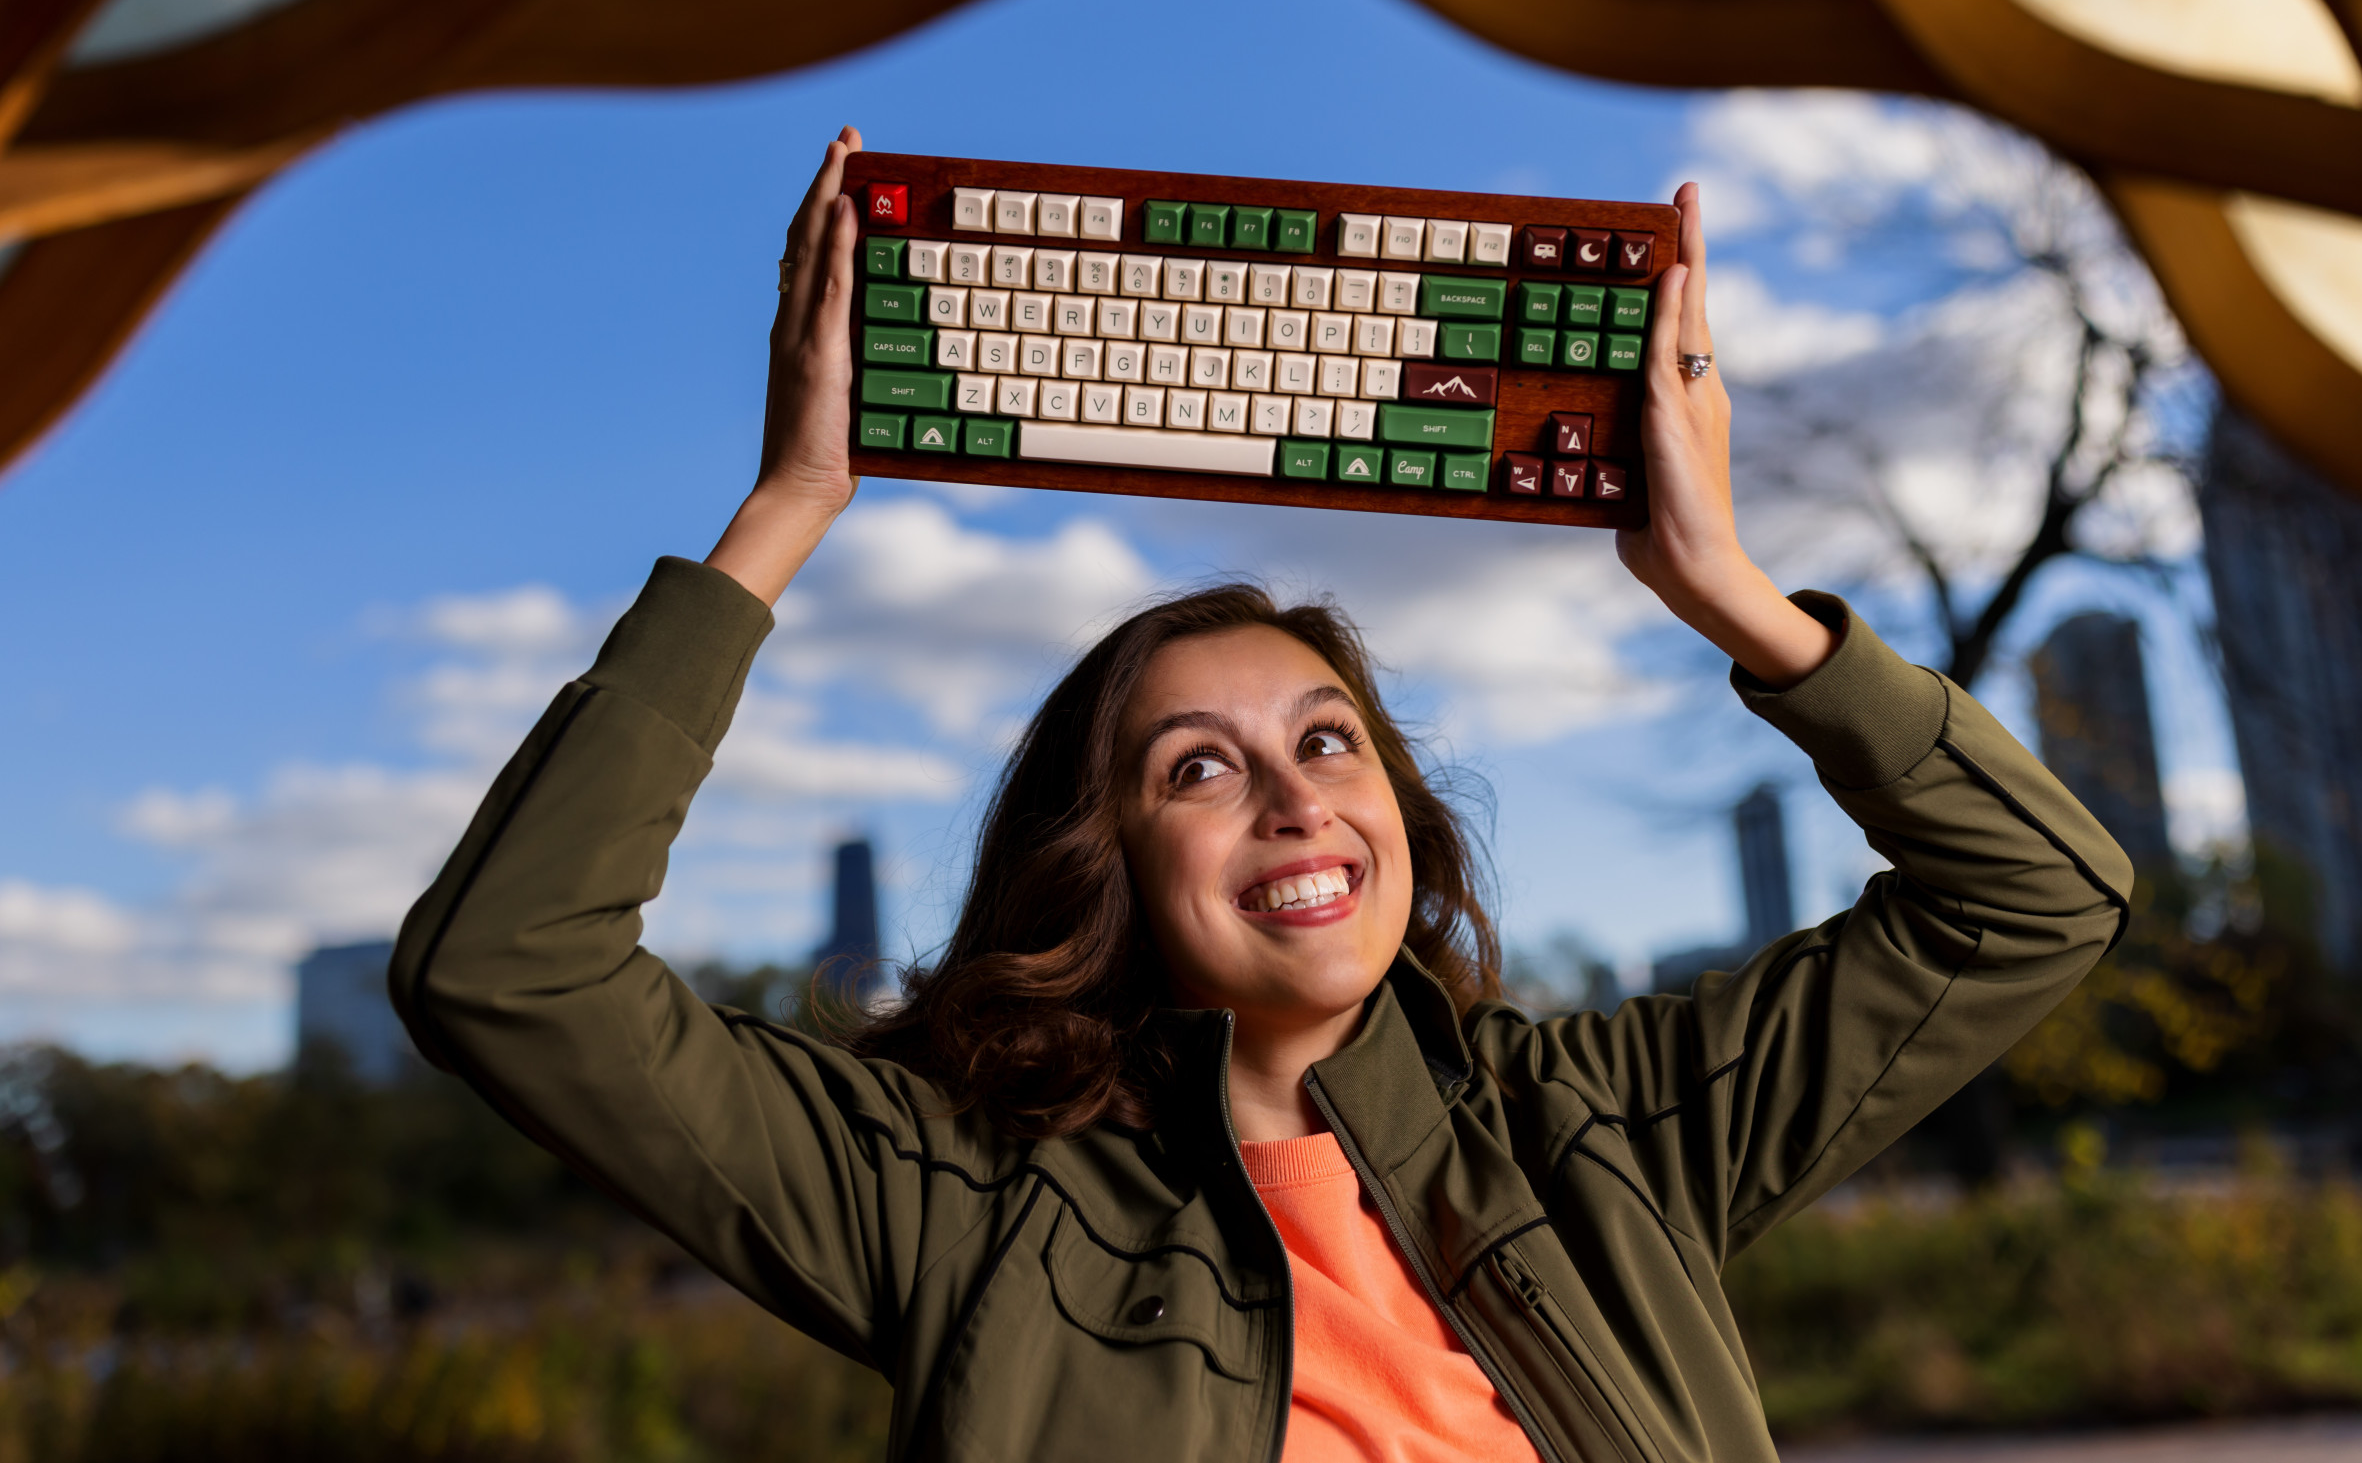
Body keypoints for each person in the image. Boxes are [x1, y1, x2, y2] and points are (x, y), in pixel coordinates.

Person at [390, 129, 2130, 1463]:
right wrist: (784, 508)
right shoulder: (954, 1195)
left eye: (1326, 742)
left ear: (1400, 820)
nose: (1294, 801)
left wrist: (1736, 594)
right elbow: (509, 971)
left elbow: (2037, 896)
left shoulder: (1600, 1130)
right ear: (1108, 870)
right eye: (1198, 769)